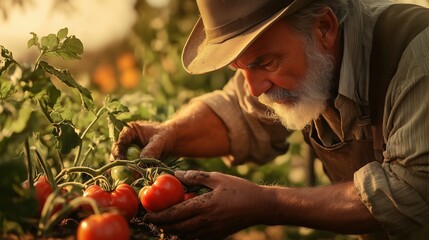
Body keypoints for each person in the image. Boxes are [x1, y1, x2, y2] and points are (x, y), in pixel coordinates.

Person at [111, 0, 429, 239]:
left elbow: (411, 191)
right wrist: (170, 133)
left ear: (324, 27)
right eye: (241, 69)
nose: (253, 89)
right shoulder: (298, 54)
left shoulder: (416, 54)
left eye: (265, 63)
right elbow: (239, 110)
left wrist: (269, 203)